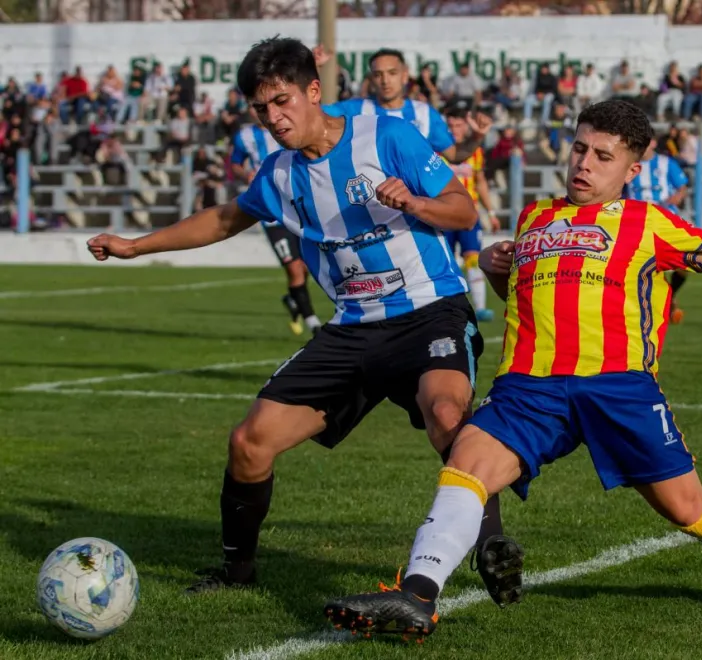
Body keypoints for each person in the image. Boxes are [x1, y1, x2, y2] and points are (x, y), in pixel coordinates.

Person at [324, 99, 702, 640]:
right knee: (466, 464)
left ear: (632, 168)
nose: (584, 165)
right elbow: (522, 297)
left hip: (618, 387)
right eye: (579, 150)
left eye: (602, 156)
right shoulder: (535, 218)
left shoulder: (648, 222)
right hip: (529, 386)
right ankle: (418, 595)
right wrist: (502, 268)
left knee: (686, 508)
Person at [86, 36, 522, 606]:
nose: (274, 117)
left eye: (283, 100)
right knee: (249, 442)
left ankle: (491, 546)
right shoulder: (280, 174)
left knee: (445, 413)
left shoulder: (383, 137)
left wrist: (414, 203)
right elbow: (222, 219)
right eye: (261, 108)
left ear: (314, 91)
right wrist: (135, 246)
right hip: (351, 329)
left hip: (428, 312)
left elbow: (461, 207)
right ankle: (236, 572)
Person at [230, 112, 321, 336]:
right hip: (271, 213)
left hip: (297, 208)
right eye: (253, 106)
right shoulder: (244, 136)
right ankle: (313, 324)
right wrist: (246, 174)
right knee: (294, 268)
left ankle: (293, 299)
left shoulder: (289, 125)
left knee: (306, 265)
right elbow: (234, 164)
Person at [319, 48, 487, 162]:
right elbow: (314, 115)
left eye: (392, 73)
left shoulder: (424, 114)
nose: (385, 81)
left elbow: (455, 155)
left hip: (415, 209)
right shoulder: (354, 109)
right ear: (372, 79)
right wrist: (313, 69)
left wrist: (477, 137)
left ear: (405, 76)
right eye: (378, 75)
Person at [622, 134, 690, 324]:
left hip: (667, 220)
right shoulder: (630, 165)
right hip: (638, 223)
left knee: (683, 266)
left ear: (653, 143)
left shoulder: (666, 163)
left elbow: (682, 186)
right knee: (650, 268)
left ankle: (671, 299)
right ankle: (666, 306)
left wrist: (678, 196)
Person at [441, 103, 499, 322]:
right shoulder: (437, 150)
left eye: (458, 125)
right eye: (451, 125)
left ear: (466, 126)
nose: (454, 129)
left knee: (472, 258)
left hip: (469, 215)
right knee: (445, 262)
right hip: (443, 214)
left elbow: (480, 182)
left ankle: (481, 308)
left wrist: (491, 212)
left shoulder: (474, 151)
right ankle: (446, 307)